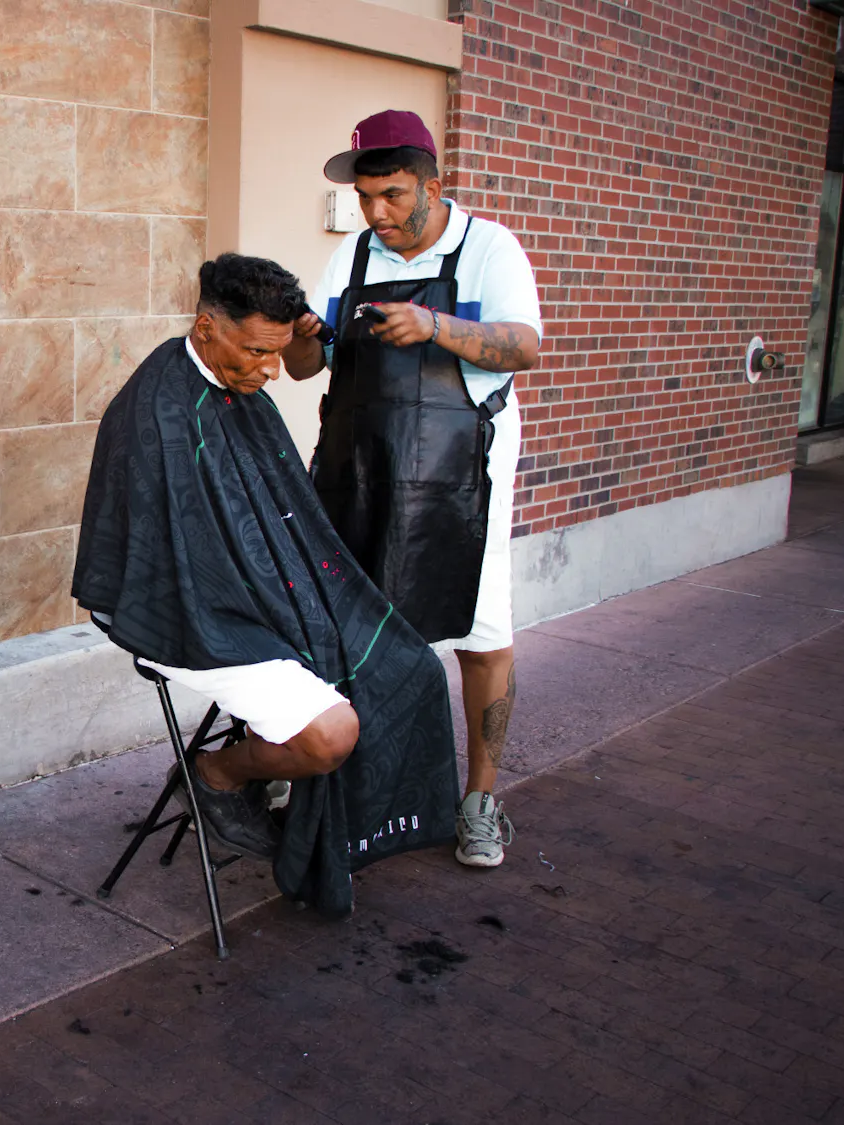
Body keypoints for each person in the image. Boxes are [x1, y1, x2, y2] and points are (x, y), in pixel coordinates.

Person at [73, 253, 458, 917]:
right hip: (184, 613)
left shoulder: (234, 383)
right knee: (330, 733)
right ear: (205, 330)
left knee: (411, 667)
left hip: (257, 595)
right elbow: (181, 562)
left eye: (277, 352)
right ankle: (216, 777)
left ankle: (295, 796)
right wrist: (284, 609)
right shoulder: (158, 415)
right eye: (256, 351)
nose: (271, 369)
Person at [282, 110, 543, 870]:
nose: (378, 214)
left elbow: (524, 345)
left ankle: (480, 801)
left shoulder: (490, 247)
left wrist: (433, 325)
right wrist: (303, 336)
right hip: (359, 465)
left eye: (394, 196)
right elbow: (310, 367)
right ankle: (321, 775)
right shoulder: (355, 256)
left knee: (479, 628)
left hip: (461, 472)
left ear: (436, 184)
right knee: (340, 624)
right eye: (366, 198)